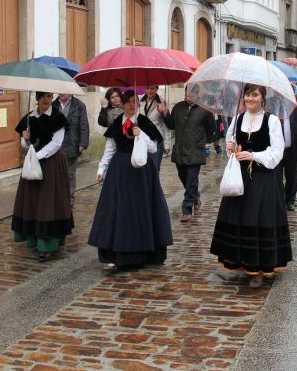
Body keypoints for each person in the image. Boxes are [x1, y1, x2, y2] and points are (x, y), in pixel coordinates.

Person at [210, 84, 293, 289]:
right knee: (240, 219)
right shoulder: (238, 119)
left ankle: (260, 269)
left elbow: (277, 152)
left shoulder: (271, 120)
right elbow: (232, 143)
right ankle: (243, 263)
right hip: (241, 178)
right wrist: (231, 148)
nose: (250, 99)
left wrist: (254, 155)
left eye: (254, 95)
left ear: (262, 97)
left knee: (257, 220)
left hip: (263, 179)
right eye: (247, 94)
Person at [89, 90, 173, 270]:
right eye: (128, 102)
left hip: (142, 172)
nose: (132, 105)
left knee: (142, 209)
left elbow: (152, 148)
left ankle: (144, 251)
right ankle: (116, 253)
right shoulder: (116, 124)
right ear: (122, 104)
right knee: (119, 211)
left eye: (135, 101)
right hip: (120, 173)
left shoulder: (144, 122)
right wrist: (101, 168)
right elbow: (110, 149)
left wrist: (140, 134)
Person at [13, 92, 73, 262]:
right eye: (43, 97)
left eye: (49, 96)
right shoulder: (29, 117)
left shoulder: (57, 117)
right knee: (33, 201)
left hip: (52, 164)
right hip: (33, 163)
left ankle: (48, 245)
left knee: (49, 202)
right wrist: (25, 139)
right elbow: (25, 144)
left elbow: (56, 143)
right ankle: (34, 239)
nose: (47, 100)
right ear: (37, 98)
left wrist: (37, 157)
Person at [162, 91, 216, 222]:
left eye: (193, 93)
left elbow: (212, 129)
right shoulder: (178, 107)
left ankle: (187, 209)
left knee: (191, 179)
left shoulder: (205, 110)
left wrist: (202, 142)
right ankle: (195, 195)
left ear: (199, 95)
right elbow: (171, 125)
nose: (189, 96)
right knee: (184, 177)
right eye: (187, 93)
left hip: (195, 150)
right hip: (180, 151)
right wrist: (165, 113)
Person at [53, 93, 89, 208]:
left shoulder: (79, 105)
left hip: (72, 143)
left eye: (64, 90)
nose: (61, 93)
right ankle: (57, 197)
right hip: (55, 145)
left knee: (70, 174)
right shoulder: (53, 105)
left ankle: (70, 197)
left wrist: (82, 143)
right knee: (55, 173)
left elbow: (84, 125)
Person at [280, 89, 297, 211]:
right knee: (277, 175)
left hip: (293, 147)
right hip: (277, 148)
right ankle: (280, 199)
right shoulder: (271, 103)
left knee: (292, 175)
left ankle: (290, 200)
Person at [141, 85, 171, 170]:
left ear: (157, 89)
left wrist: (167, 145)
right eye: (147, 88)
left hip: (157, 140)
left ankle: (154, 183)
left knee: (155, 168)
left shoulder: (162, 102)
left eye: (152, 88)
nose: (149, 91)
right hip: (142, 140)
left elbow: (166, 125)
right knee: (142, 169)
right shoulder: (139, 101)